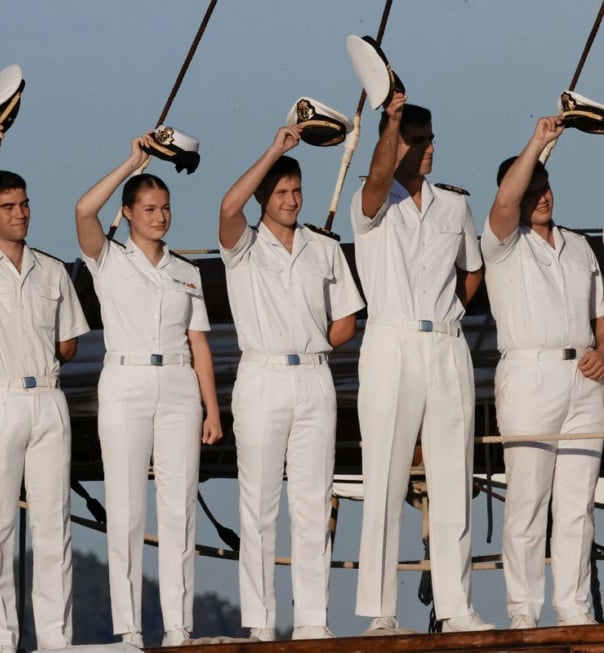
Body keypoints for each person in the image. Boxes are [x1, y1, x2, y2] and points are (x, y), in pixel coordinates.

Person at [350, 95, 493, 634]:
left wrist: (452, 308)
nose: (431, 148)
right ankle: (380, 612)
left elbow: (472, 271)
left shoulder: (454, 206)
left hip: (446, 342)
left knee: (453, 475)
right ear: (397, 145)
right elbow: (377, 176)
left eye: (432, 138)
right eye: (420, 139)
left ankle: (457, 607)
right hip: (391, 340)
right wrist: (389, 122)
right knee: (384, 477)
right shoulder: (372, 202)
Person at [75, 134, 224, 647]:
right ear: (130, 213)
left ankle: (179, 626)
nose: (160, 216)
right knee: (126, 506)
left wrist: (212, 407)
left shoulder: (186, 271)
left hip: (180, 383)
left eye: (165, 208)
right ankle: (130, 629)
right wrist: (131, 163)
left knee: (180, 505)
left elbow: (198, 341)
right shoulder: (108, 259)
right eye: (150, 208)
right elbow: (82, 211)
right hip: (125, 380)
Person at [218, 126, 364, 640]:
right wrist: (276, 150)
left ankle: (312, 620)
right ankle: (260, 623)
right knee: (258, 504)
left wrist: (313, 339)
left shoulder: (323, 248)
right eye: (280, 192)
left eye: (296, 191)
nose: (291, 200)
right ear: (264, 196)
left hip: (314, 377)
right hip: (261, 376)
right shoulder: (243, 246)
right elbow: (228, 207)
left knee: (312, 501)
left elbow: (346, 318)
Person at [0, 123, 89, 653]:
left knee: (54, 524)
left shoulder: (53, 270)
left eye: (25, 204)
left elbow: (70, 343)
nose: (21, 213)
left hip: (47, 398)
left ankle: (56, 639)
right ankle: (2, 641)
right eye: (9, 207)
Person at [483, 115, 604, 628]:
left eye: (546, 187)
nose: (542, 196)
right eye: (533, 188)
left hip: (585, 378)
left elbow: (602, 312)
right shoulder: (503, 243)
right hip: (529, 375)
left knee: (578, 504)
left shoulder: (578, 245)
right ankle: (523, 612)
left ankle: (574, 609)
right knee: (529, 500)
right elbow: (506, 202)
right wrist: (537, 142)